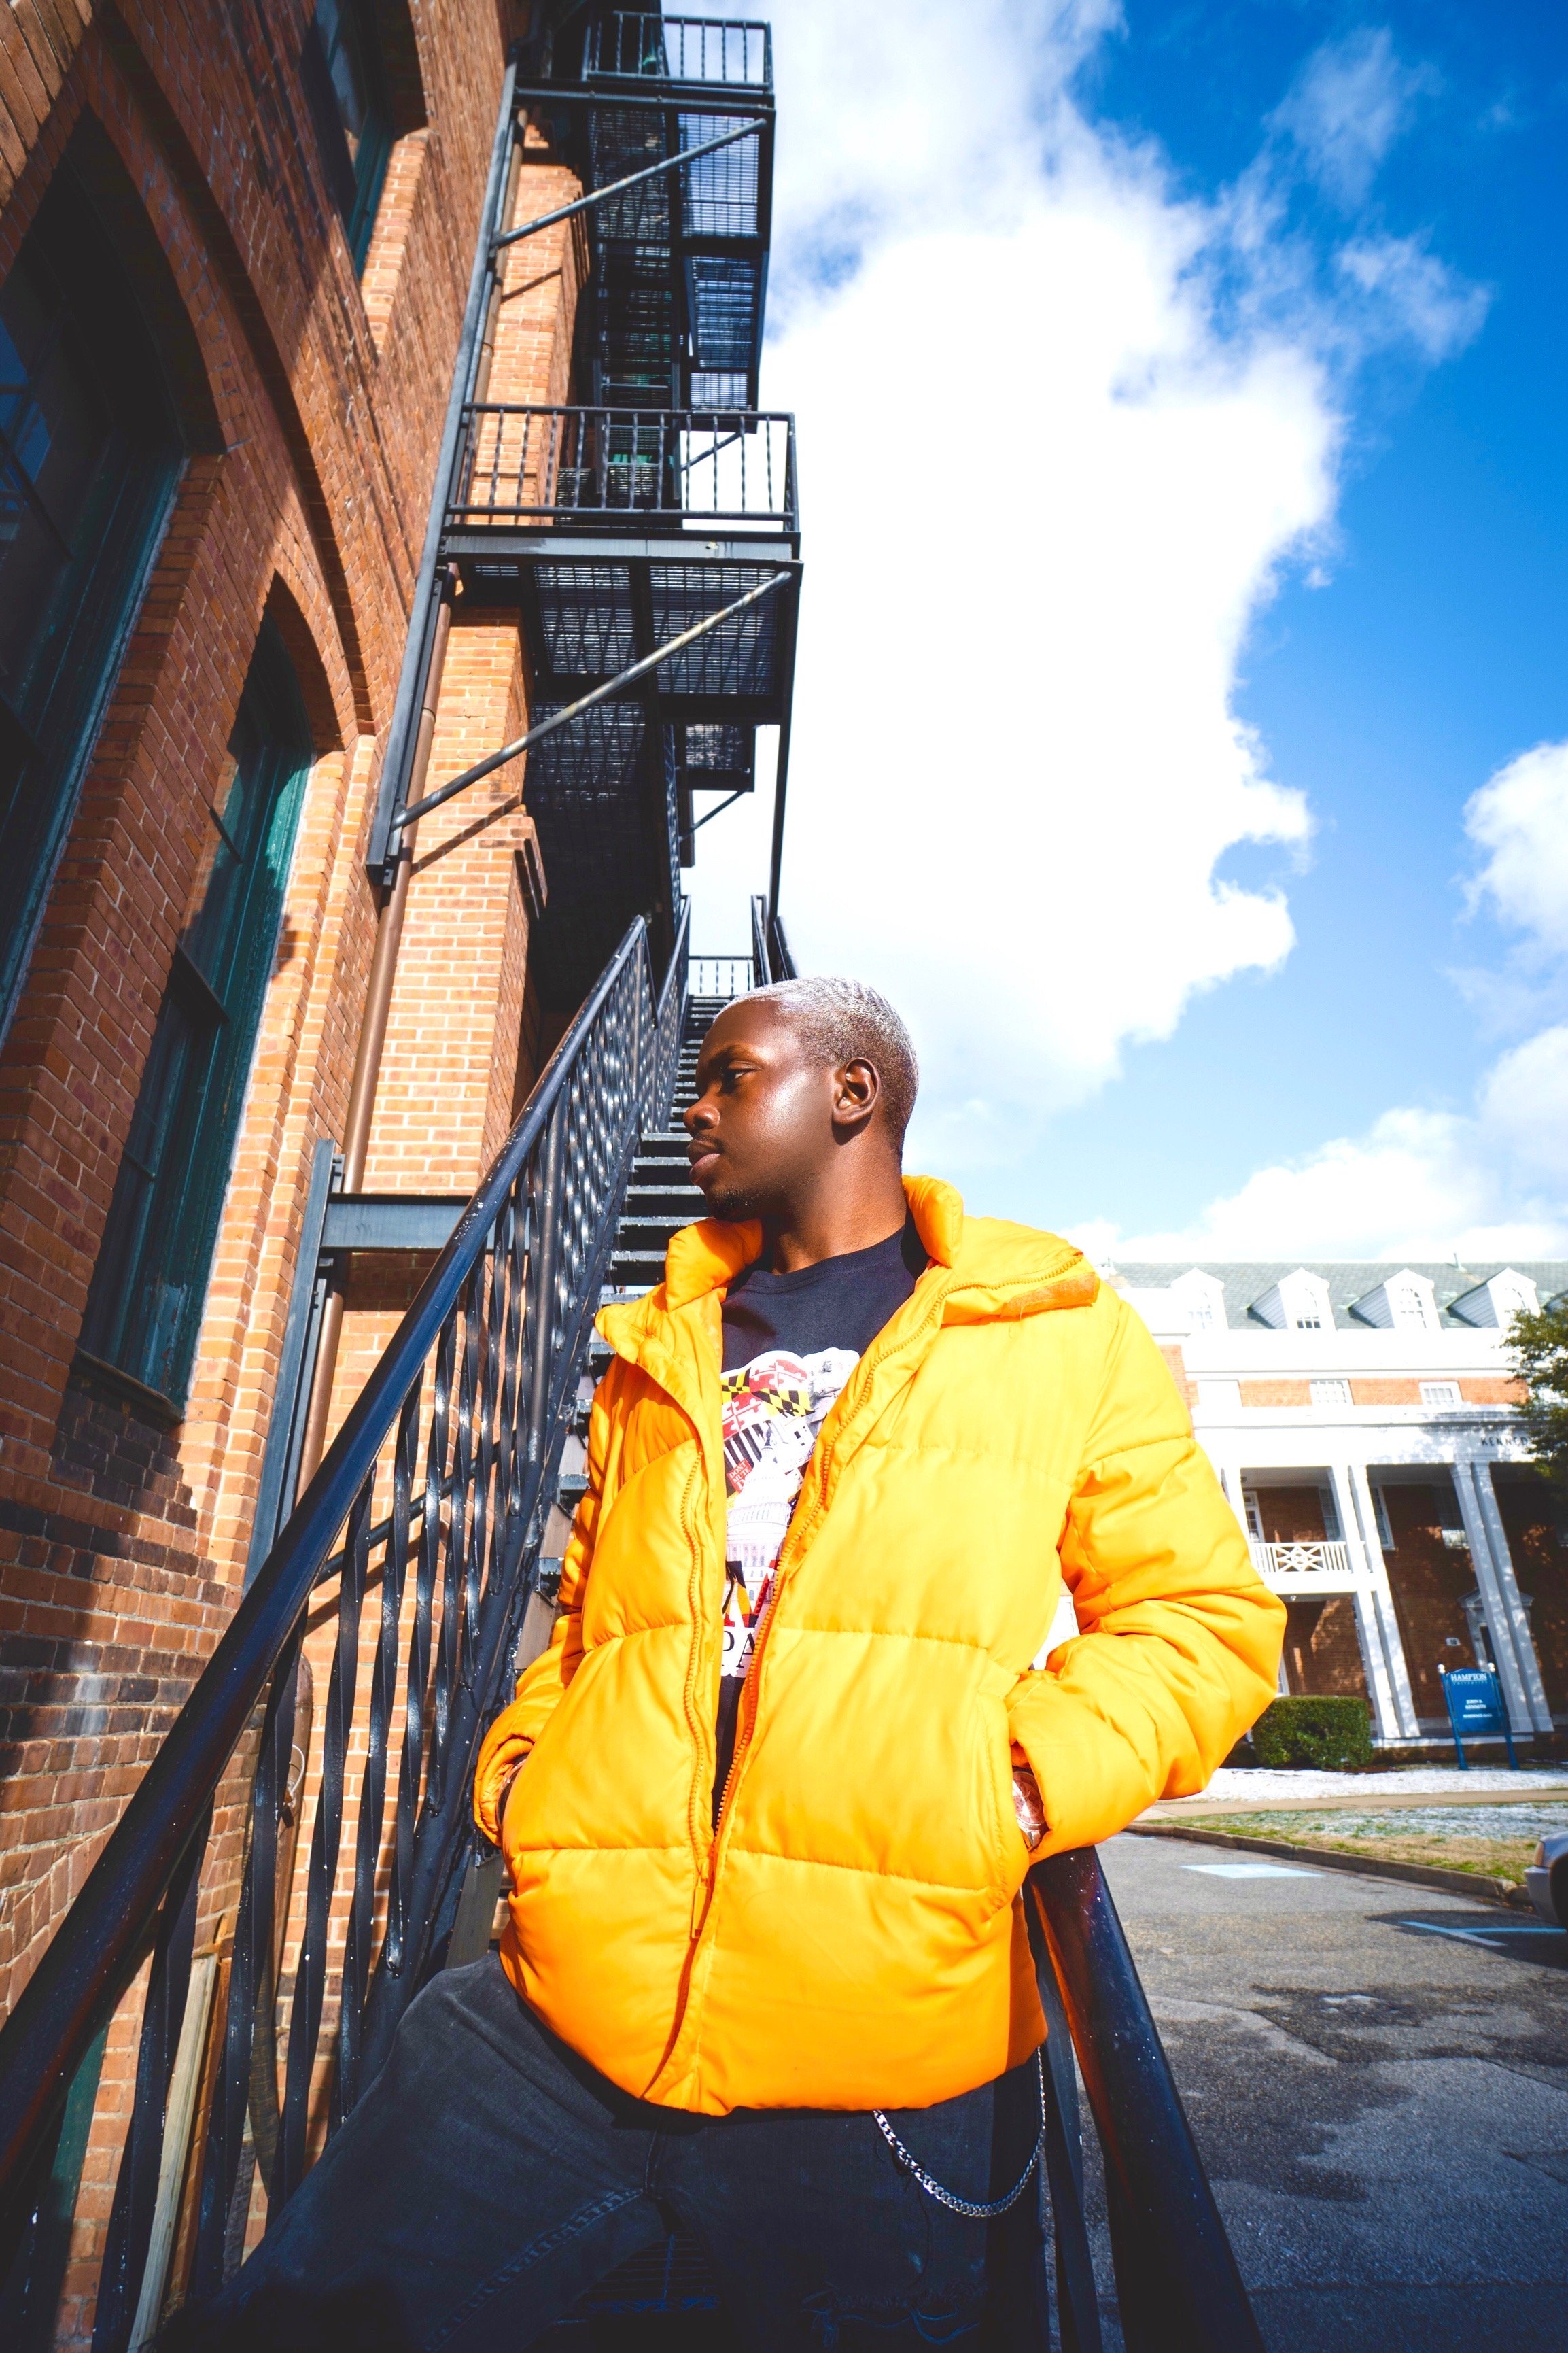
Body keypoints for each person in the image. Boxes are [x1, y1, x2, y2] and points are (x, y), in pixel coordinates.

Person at [171, 978, 1284, 2352]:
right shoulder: (663, 1345)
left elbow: (1199, 1622)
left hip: (871, 2036)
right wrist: (529, 1781)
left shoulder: (1047, 1327)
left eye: (728, 1075)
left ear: (849, 1095)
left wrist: (1001, 1785)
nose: (689, 1106)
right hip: (564, 2004)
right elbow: (584, 1619)